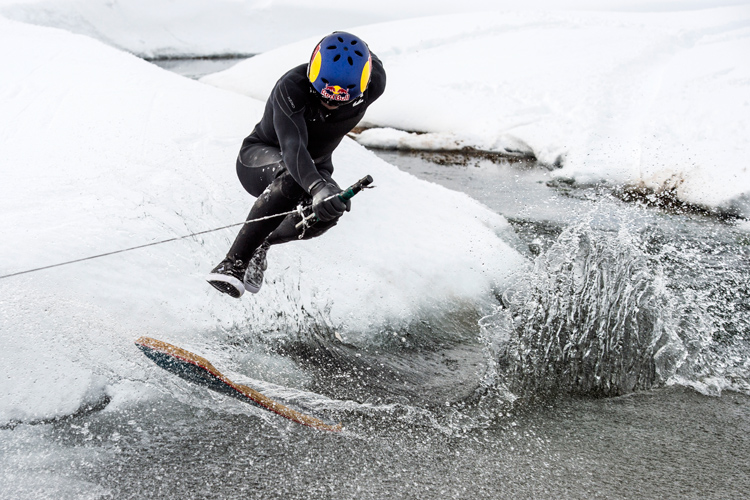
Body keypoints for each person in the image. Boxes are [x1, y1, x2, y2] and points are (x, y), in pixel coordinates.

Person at [207, 31, 386, 298]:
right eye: (324, 96)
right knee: (294, 178)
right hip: (261, 157)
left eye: (341, 100)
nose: (331, 103)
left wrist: (324, 191)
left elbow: (368, 56)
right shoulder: (291, 87)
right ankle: (233, 264)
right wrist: (317, 186)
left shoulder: (375, 82)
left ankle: (262, 242)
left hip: (317, 166)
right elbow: (293, 148)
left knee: (328, 212)